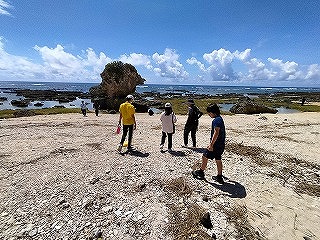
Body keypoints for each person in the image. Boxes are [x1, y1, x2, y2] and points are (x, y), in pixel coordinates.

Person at [192, 104, 225, 184]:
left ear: (213, 112)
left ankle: (201, 172)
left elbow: (216, 132)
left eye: (209, 113)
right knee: (218, 159)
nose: (209, 115)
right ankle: (219, 177)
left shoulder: (216, 120)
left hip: (215, 145)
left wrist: (211, 145)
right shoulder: (220, 119)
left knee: (204, 156)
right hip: (221, 144)